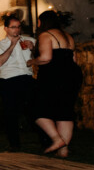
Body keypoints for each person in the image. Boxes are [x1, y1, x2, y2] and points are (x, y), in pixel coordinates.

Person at [31, 10, 83, 156]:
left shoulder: (46, 35)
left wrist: (32, 61)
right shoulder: (68, 36)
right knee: (65, 111)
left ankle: (56, 139)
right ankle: (64, 150)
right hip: (72, 74)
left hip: (54, 74)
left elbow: (46, 58)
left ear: (42, 22)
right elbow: (74, 59)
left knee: (37, 109)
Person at [0, 14, 38, 152]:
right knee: (10, 115)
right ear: (6, 28)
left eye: (18, 27)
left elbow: (43, 56)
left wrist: (33, 49)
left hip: (27, 78)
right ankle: (14, 145)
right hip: (9, 81)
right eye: (13, 27)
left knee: (34, 111)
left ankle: (45, 141)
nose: (16, 30)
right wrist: (12, 45)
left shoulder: (30, 40)